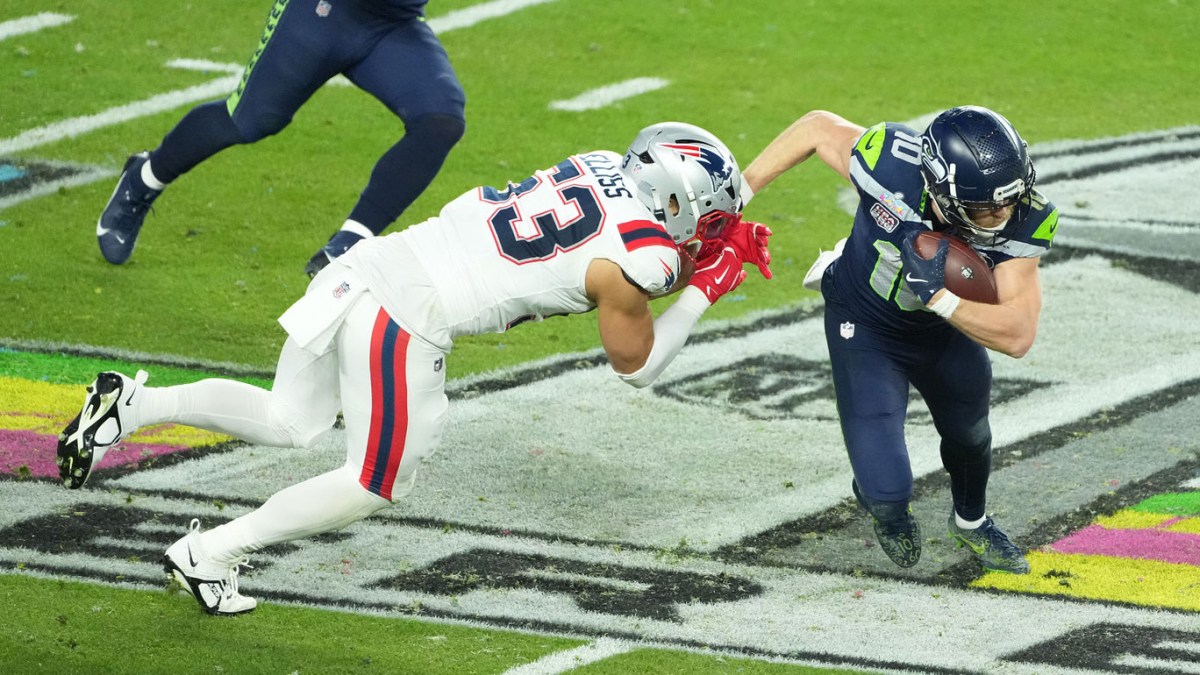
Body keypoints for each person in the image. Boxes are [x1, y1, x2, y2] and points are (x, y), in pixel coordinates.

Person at [58, 122, 773, 615]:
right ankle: (210, 551)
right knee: (374, 481)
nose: (710, 229)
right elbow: (637, 363)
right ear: (672, 200)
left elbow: (604, 262)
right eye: (707, 217)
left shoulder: (600, 162)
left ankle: (134, 405)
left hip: (370, 265)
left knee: (290, 416)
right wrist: (707, 286)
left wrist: (692, 261)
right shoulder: (646, 259)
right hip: (408, 316)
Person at [742, 105, 1058, 574]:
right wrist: (738, 196)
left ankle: (972, 523)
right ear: (940, 189)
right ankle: (883, 504)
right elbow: (816, 128)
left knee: (971, 434)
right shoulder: (890, 166)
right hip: (865, 324)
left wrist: (941, 300)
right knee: (887, 493)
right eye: (987, 206)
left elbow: (1018, 335)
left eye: (1010, 198)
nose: (1004, 213)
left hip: (943, 331)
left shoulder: (1021, 218)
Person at [96, 0, 467, 276]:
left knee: (441, 119)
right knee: (249, 120)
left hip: (394, 23)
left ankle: (346, 248)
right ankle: (142, 180)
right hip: (323, 11)